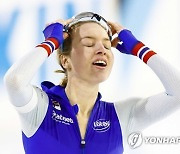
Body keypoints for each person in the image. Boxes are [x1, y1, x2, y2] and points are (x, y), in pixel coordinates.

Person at [4, 12, 180, 154]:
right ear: (65, 61)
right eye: (89, 44)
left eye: (106, 45)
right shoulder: (40, 108)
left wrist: (139, 48)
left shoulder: (122, 116)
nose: (102, 50)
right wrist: (52, 42)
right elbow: (15, 81)